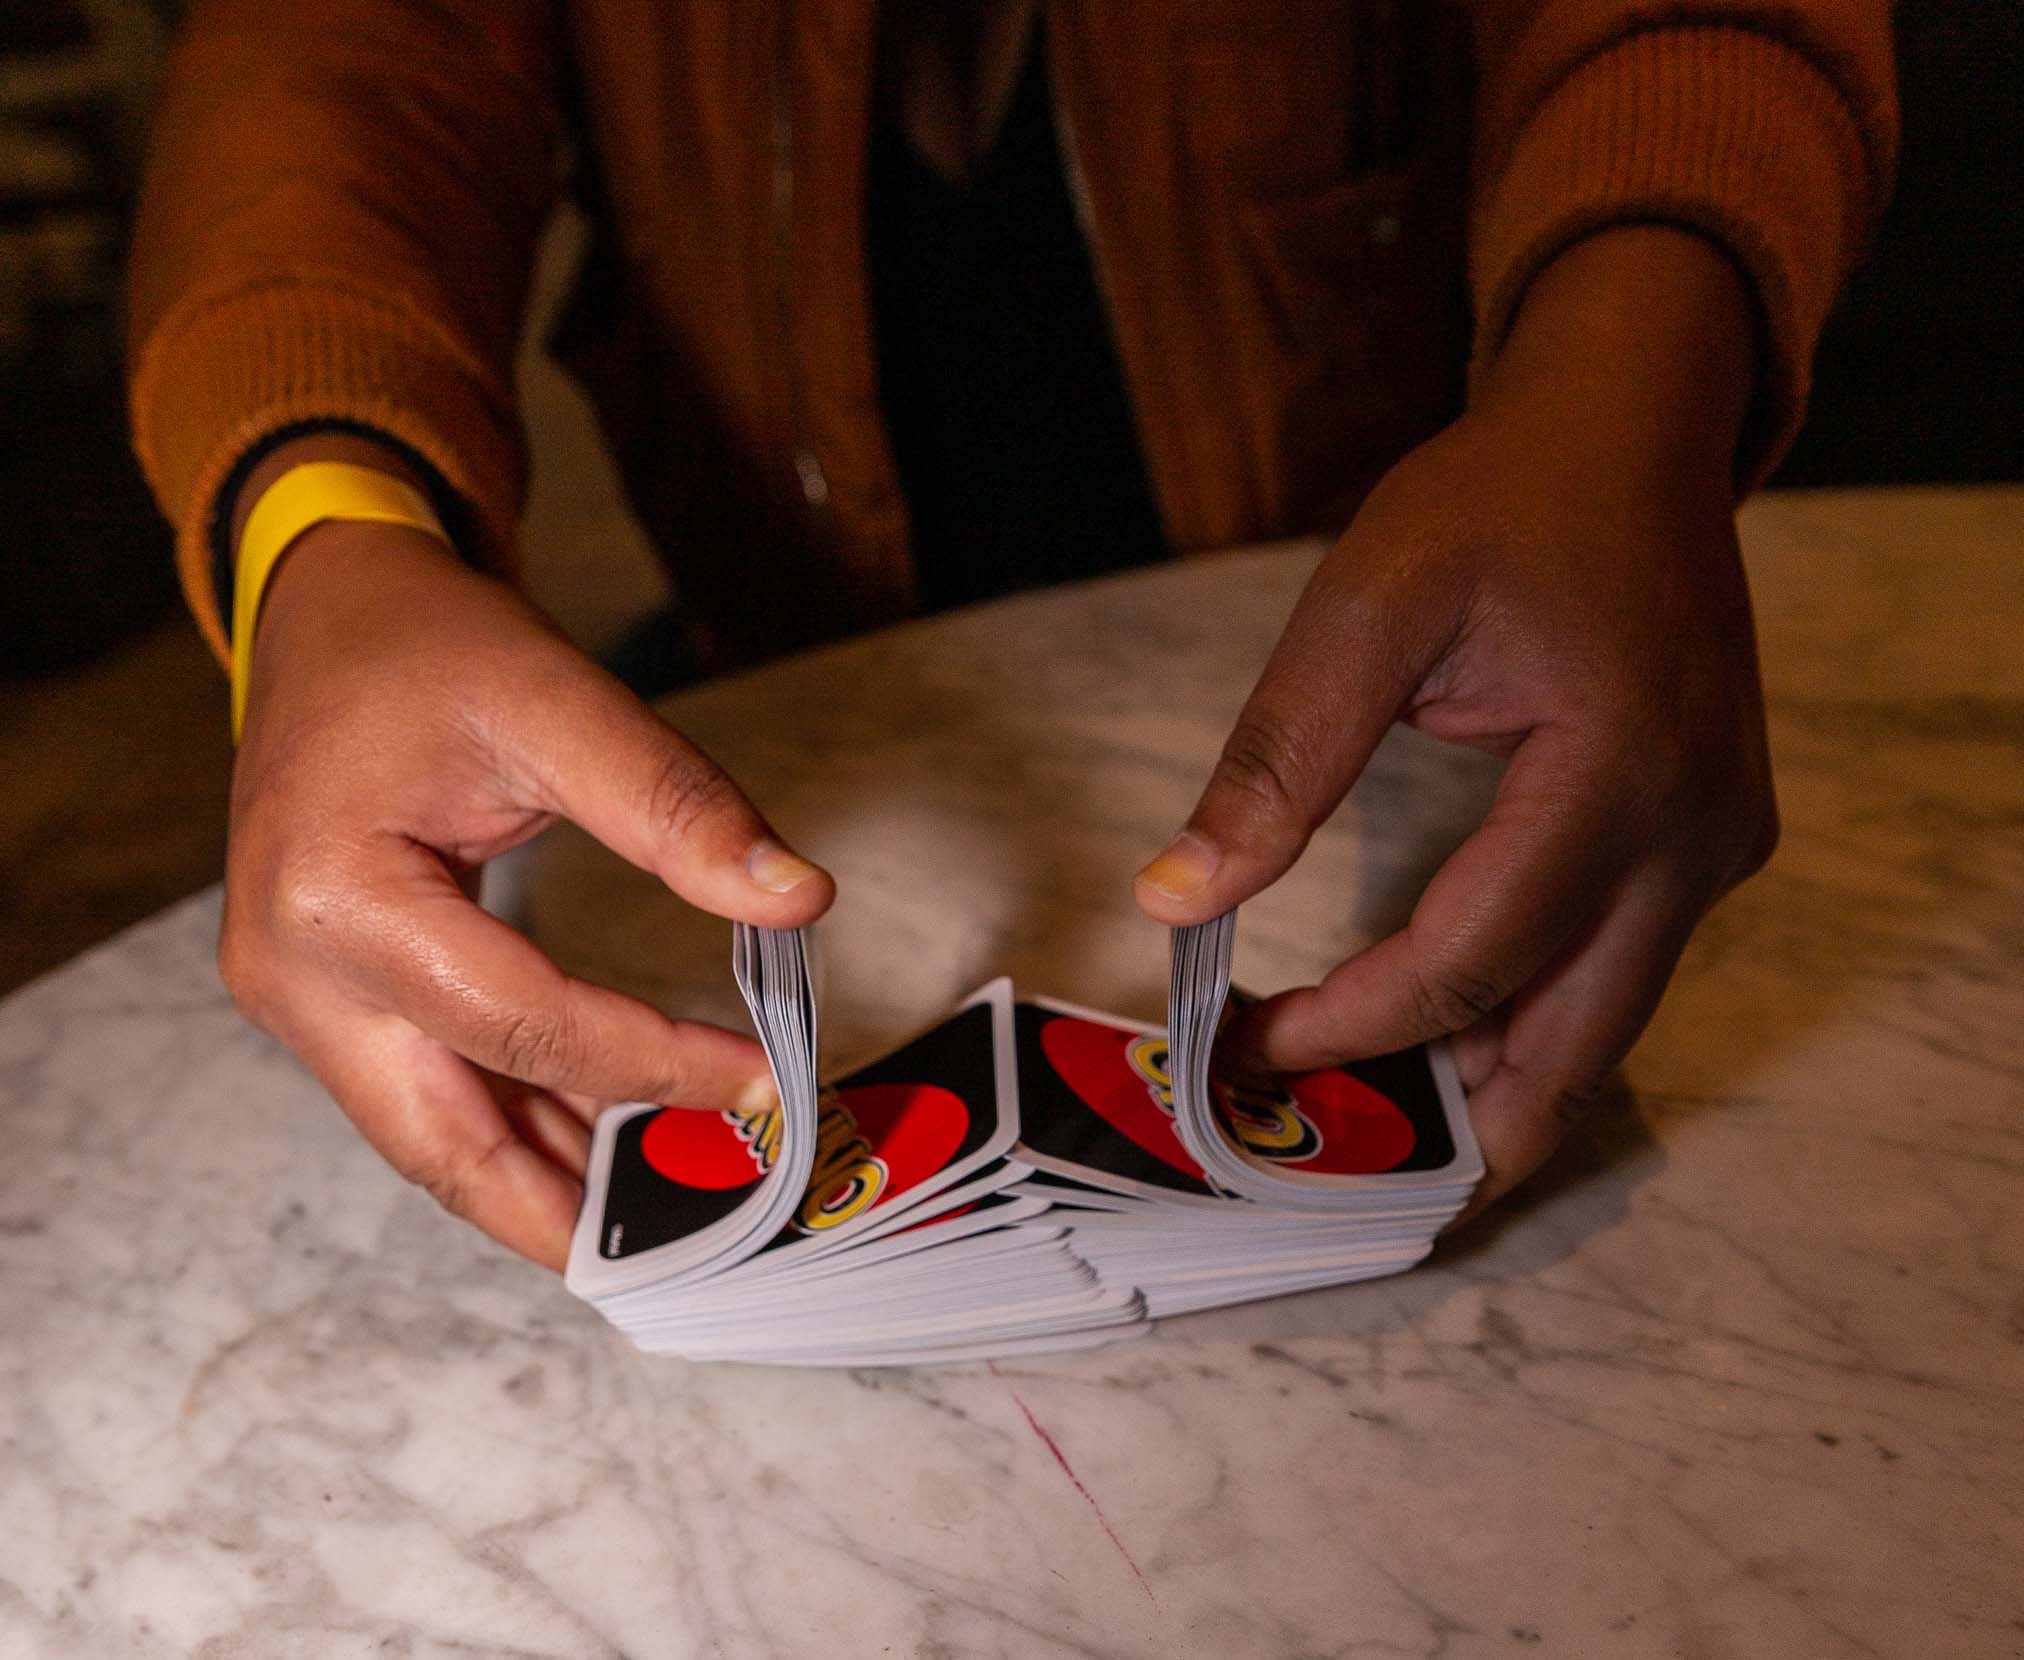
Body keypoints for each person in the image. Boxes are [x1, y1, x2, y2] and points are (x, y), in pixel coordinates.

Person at [126, 0, 1897, 1269]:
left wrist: (1637, 385)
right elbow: (338, 70)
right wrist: (316, 525)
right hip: (777, 666)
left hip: (1430, 715)